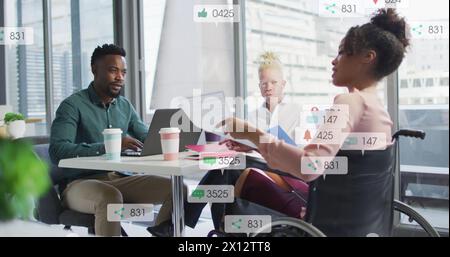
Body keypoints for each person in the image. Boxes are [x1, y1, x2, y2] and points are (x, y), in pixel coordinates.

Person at [220, 9, 409, 220]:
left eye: (342, 52)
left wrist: (252, 133)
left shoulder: (349, 102)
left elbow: (310, 166)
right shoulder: (378, 110)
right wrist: (256, 143)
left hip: (327, 219)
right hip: (356, 217)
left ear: (367, 57)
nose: (334, 61)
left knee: (246, 177)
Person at [49, 44, 186, 237]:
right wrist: (109, 146)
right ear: (95, 70)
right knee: (110, 197)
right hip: (79, 184)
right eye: (113, 70)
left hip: (118, 178)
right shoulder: (72, 106)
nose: (120, 77)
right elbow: (58, 151)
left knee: (177, 190)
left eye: (123, 72)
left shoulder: (124, 106)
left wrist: (176, 140)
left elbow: (147, 137)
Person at [176, 52, 304, 232]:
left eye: (274, 82)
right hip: (256, 164)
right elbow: (249, 147)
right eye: (263, 83)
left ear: (283, 84)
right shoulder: (252, 116)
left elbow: (297, 153)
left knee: (229, 167)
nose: (268, 87)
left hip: (286, 172)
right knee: (224, 170)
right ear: (259, 86)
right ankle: (222, 227)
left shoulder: (296, 112)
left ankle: (188, 216)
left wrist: (257, 145)